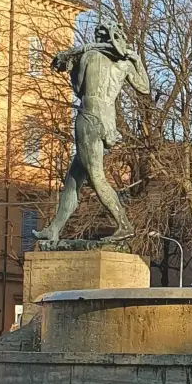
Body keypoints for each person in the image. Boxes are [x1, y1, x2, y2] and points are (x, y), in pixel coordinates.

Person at [33, 19, 150, 243]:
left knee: (96, 177)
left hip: (89, 117)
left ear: (99, 38)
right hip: (107, 122)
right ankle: (54, 228)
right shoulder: (124, 64)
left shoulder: (90, 56)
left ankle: (124, 223)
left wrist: (70, 66)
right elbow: (144, 88)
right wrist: (136, 60)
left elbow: (79, 89)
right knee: (73, 179)